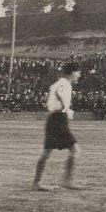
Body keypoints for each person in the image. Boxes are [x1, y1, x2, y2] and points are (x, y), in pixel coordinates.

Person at [32, 63, 83, 191]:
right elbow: (60, 93)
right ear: (72, 72)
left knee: (46, 153)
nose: (79, 75)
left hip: (53, 119)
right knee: (75, 150)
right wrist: (66, 108)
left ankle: (36, 183)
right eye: (78, 72)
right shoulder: (64, 84)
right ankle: (67, 181)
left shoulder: (59, 83)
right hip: (58, 119)